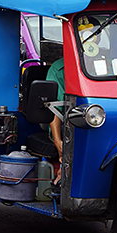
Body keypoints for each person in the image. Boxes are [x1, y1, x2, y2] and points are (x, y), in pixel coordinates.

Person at [46, 57, 65, 186]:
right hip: (71, 124)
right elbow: (54, 108)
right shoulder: (59, 69)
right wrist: (58, 142)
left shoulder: (111, 64)